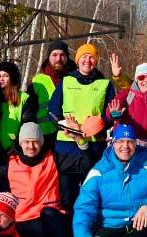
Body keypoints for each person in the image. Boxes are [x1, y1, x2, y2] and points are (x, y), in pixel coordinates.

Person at [48, 43, 116, 220]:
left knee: (91, 192)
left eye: (92, 57)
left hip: (93, 147)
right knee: (66, 194)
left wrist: (102, 123)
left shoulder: (105, 84)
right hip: (66, 147)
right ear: (77, 61)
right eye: (84, 57)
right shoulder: (66, 81)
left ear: (96, 61)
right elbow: (52, 111)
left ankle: (88, 231)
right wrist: (67, 126)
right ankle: (67, 233)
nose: (88, 60)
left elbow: (111, 114)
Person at [107, 61, 147, 152]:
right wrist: (114, 114)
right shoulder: (128, 94)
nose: (146, 80)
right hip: (126, 143)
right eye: (141, 77)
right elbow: (111, 109)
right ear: (136, 80)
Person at [31, 40, 76, 144]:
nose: (58, 59)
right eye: (54, 55)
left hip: (70, 135)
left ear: (67, 57)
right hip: (43, 136)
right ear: (49, 57)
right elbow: (29, 111)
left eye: (62, 55)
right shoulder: (37, 80)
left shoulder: (75, 79)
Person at [0, 61, 36, 152]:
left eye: (5, 76)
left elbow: (28, 124)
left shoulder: (24, 98)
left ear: (12, 77)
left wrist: (17, 145)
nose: (1, 79)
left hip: (17, 148)